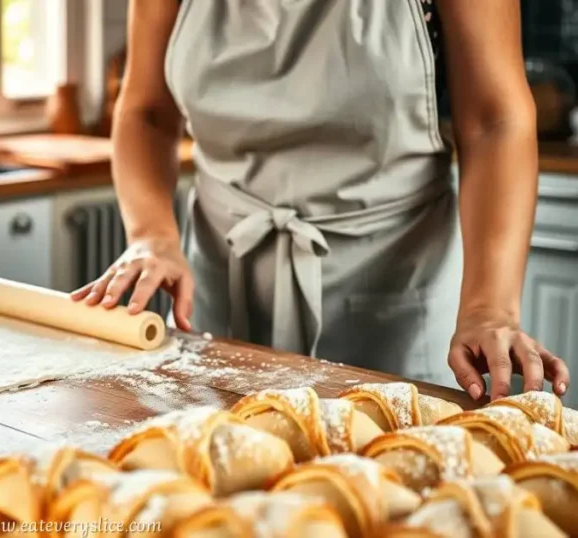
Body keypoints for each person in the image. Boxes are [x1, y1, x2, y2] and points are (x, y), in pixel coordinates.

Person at [71, 0, 569, 401]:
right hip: (223, 284)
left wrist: (490, 308)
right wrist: (152, 236)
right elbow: (146, 112)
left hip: (393, 289)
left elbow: (494, 120)